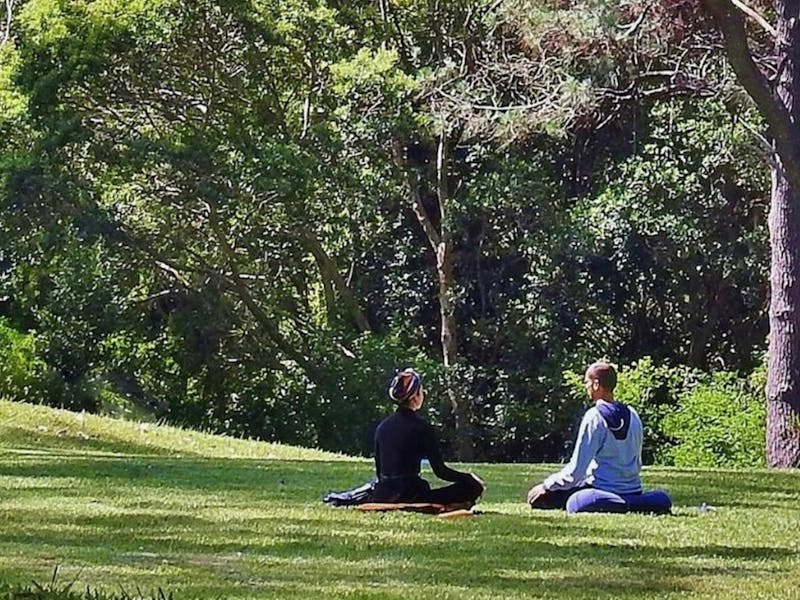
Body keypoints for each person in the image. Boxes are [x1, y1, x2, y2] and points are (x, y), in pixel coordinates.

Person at [526, 361, 672, 515]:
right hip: (633, 491)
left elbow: (576, 472)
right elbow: (637, 463)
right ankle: (635, 505)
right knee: (661, 499)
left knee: (562, 500)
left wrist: (545, 486)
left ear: (596, 384)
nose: (586, 387)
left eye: (587, 382)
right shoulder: (633, 414)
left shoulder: (594, 416)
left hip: (601, 491)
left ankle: (615, 504)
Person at [372, 368, 484, 507]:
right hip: (412, 495)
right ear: (415, 396)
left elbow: (379, 471)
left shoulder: (382, 427)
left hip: (383, 494)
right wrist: (468, 477)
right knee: (472, 487)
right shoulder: (422, 427)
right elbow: (440, 471)